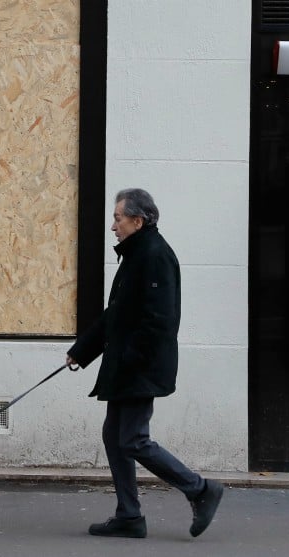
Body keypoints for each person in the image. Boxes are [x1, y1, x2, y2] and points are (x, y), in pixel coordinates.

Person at [66, 188, 224, 539]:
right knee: (115, 435)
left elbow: (160, 321)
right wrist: (83, 350)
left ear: (138, 220)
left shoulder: (154, 256)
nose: (113, 226)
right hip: (127, 365)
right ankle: (129, 516)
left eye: (118, 218)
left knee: (134, 439)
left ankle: (200, 489)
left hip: (138, 367)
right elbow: (116, 314)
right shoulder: (137, 254)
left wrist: (131, 360)